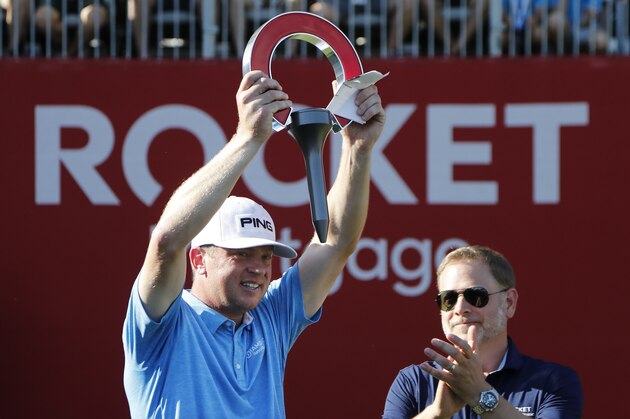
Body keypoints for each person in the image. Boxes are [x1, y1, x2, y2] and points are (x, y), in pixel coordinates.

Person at [122, 70, 385, 418]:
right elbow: (168, 241)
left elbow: (336, 243)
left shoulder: (270, 316)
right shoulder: (163, 324)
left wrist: (357, 147)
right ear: (198, 260)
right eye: (241, 254)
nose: (259, 268)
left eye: (265, 255)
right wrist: (246, 138)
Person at [382, 245, 583, 418]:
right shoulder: (413, 381)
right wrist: (436, 414)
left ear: (509, 303)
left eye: (475, 295)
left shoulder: (553, 381)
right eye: (448, 299)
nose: (460, 308)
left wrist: (478, 393)